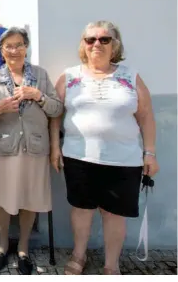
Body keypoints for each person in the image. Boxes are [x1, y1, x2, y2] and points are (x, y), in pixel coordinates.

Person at [49, 21, 159, 275]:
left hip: (124, 160)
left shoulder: (130, 76)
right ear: (83, 45)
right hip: (78, 156)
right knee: (82, 210)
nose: (96, 44)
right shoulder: (70, 76)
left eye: (104, 39)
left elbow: (146, 116)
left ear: (114, 45)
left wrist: (150, 153)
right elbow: (55, 115)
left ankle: (112, 264)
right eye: (90, 40)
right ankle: (79, 255)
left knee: (114, 214)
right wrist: (55, 147)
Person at [0, 27, 63, 275]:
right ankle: (3, 244)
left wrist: (39, 96)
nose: (14, 50)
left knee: (30, 198)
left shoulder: (41, 75)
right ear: (1, 51)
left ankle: (23, 246)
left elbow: (57, 109)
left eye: (19, 45)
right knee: (3, 200)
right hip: (3, 148)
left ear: (26, 48)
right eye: (8, 46)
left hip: (34, 147)